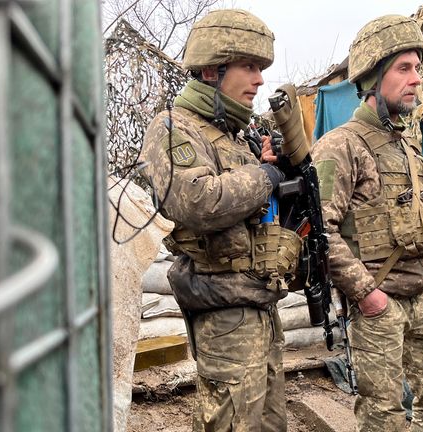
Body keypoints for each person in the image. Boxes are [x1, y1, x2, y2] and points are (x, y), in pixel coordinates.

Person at [139, 9, 301, 432]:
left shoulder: (234, 136)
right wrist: (262, 176)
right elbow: (196, 201)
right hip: (224, 314)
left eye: (261, 68)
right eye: (250, 66)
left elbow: (251, 210)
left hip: (259, 304)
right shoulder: (173, 127)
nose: (260, 79)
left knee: (269, 423)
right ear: (212, 70)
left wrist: (271, 169)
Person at [310, 14, 423, 431]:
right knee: (384, 421)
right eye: (404, 68)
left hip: (422, 299)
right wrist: (366, 295)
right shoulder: (340, 146)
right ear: (374, 78)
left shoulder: (408, 148)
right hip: (378, 308)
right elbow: (318, 232)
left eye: (418, 68)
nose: (416, 78)